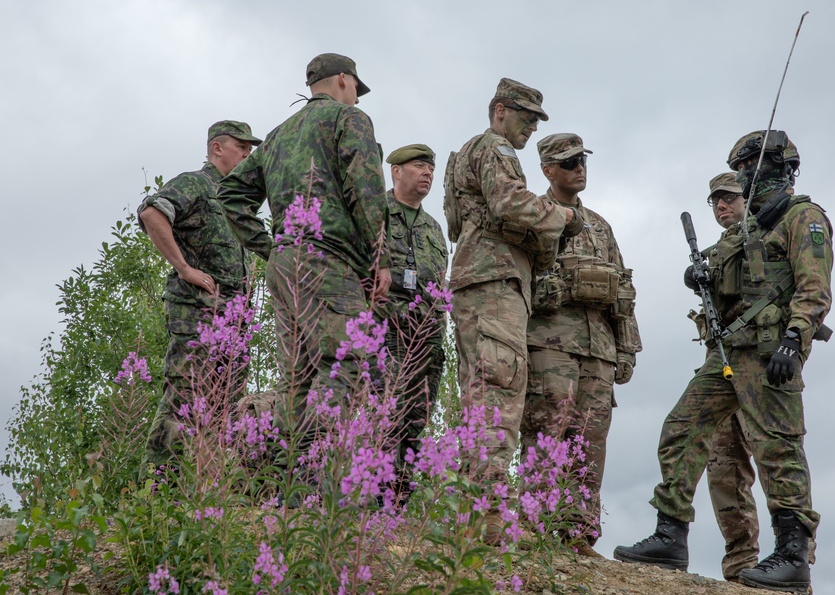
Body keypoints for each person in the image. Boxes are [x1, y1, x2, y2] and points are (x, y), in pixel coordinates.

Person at [614, 131, 833, 594]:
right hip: (728, 354)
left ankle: (793, 556)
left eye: (749, 166)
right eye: (741, 167)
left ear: (776, 166)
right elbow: (718, 273)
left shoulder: (802, 218)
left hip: (770, 353)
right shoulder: (746, 230)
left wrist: (796, 338)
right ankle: (670, 535)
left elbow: (814, 288)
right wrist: (697, 277)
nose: (743, 175)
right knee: (682, 428)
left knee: (778, 449)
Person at [218, 53, 390, 455]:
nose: (359, 100)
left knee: (297, 377)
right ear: (344, 80)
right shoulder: (350, 120)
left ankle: (281, 473)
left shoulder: (277, 135)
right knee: (347, 360)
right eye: (356, 91)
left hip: (285, 264)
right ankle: (317, 471)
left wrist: (270, 246)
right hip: (329, 261)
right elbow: (366, 190)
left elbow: (229, 195)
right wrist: (381, 259)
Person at [444, 78, 583, 541]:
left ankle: (471, 510)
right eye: (525, 117)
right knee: (499, 394)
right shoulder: (496, 148)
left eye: (536, 120)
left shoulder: (464, 153)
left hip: (476, 281)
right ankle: (489, 518)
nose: (530, 128)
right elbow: (508, 203)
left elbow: (455, 221)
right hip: (494, 281)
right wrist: (557, 217)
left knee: (479, 392)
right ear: (500, 110)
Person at [521, 133, 641, 557]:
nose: (579, 168)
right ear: (547, 170)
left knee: (591, 440)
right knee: (548, 429)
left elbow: (623, 289)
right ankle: (533, 526)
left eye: (582, 161)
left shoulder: (601, 226)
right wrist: (566, 286)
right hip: (550, 341)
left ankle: (578, 534)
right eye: (568, 162)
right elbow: (519, 283)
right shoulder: (533, 218)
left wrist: (627, 348)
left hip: (600, 348)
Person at [138, 120, 261, 468]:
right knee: (185, 395)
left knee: (226, 402)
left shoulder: (236, 197)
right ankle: (158, 488)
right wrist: (184, 268)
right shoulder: (195, 183)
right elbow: (152, 212)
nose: (248, 154)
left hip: (234, 317)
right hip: (197, 310)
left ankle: (205, 484)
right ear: (218, 148)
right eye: (242, 147)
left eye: (250, 149)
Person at [377, 143, 449, 503]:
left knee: (416, 420)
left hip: (427, 340)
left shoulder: (435, 229)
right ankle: (373, 501)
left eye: (431, 169)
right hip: (385, 332)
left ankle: (399, 505)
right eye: (419, 166)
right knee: (384, 414)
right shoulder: (375, 213)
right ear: (396, 171)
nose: (427, 174)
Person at [697, 172, 760, 582]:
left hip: (758, 361)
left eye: (729, 198)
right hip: (722, 360)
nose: (722, 206)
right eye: (715, 201)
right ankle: (741, 563)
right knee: (723, 464)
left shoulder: (766, 234)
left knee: (775, 461)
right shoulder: (718, 249)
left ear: (746, 197)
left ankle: (793, 559)